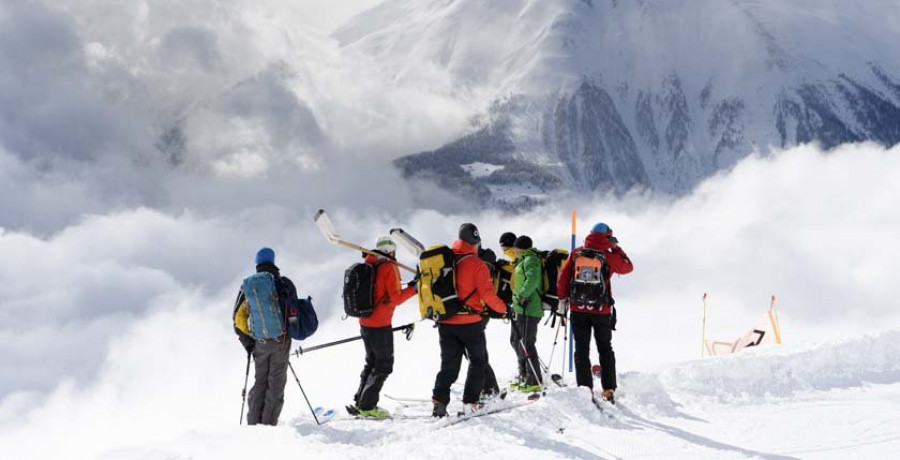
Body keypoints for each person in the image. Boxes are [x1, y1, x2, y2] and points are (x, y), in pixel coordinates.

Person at [432, 223, 507, 417]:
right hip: (470, 323)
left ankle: (439, 401)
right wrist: (504, 309)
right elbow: (488, 296)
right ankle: (470, 403)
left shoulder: (444, 261)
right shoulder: (476, 264)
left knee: (448, 365)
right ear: (475, 242)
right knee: (478, 361)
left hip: (445, 321)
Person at [557, 223, 633, 403]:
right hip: (601, 310)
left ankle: (585, 388)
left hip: (577, 308)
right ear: (608, 237)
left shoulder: (577, 253)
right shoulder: (608, 256)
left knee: (581, 350)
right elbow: (628, 267)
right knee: (605, 348)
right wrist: (617, 248)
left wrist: (562, 299)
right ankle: (608, 389)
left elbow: (564, 278)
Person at [351, 236, 417, 418]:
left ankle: (360, 401)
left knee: (371, 362)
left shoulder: (369, 264)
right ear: (390, 251)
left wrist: (410, 285)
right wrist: (415, 289)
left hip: (365, 322)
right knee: (384, 366)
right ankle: (367, 406)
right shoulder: (389, 267)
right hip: (380, 324)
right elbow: (395, 298)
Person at [232, 247, 298, 426]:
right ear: (273, 261)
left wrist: (249, 343)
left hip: (260, 342)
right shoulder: (282, 283)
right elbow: (293, 312)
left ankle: (253, 424)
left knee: (260, 380)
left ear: (257, 263)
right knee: (275, 383)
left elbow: (238, 318)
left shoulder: (247, 286)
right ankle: (268, 425)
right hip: (281, 340)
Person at [509, 235, 544, 392]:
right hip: (520, 307)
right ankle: (523, 375)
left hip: (530, 307)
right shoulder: (523, 260)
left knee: (527, 343)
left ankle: (534, 380)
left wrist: (523, 295)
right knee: (516, 341)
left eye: (515, 248)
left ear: (519, 248)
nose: (514, 251)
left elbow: (533, 279)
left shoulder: (531, 260)